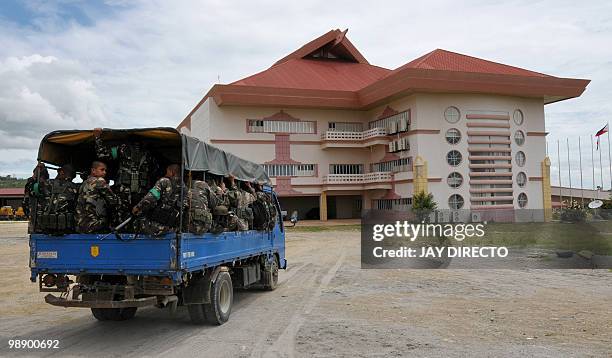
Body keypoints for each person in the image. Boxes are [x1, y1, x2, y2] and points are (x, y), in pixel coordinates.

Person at [93, 128, 158, 228]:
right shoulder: (148, 154)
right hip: (140, 193)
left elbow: (102, 154)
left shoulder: (122, 149)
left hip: (124, 192)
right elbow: (155, 170)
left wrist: (97, 137)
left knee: (121, 219)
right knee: (139, 217)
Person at [132, 164, 181, 236]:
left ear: (172, 172)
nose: (166, 174)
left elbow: (150, 198)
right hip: (171, 228)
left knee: (136, 222)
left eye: (167, 171)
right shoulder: (183, 186)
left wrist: (138, 207)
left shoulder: (164, 181)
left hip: (156, 226)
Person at [76, 161, 119, 233]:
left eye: (105, 170)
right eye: (102, 170)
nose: (104, 172)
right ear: (93, 170)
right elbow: (114, 201)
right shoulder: (99, 181)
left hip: (81, 225)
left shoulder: (84, 183)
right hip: (95, 225)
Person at [39, 164, 79, 234]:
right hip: (66, 228)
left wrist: (43, 171)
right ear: (62, 172)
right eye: (70, 176)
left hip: (46, 227)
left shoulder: (46, 183)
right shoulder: (74, 187)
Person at [23, 163, 49, 233]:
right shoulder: (48, 184)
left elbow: (25, 202)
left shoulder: (32, 184)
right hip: (42, 218)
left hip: (37, 218)